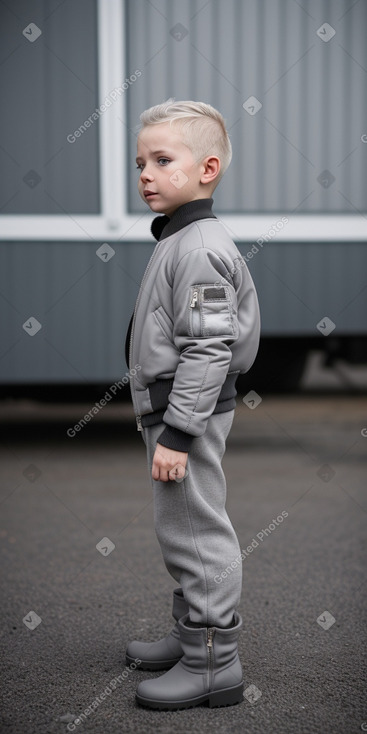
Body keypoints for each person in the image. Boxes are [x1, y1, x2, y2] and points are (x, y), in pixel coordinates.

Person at [124, 99, 260, 710]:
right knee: (181, 528)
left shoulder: (199, 247)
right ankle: (190, 638)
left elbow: (209, 347)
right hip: (179, 409)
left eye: (161, 160)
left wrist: (179, 432)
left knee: (198, 531)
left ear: (207, 168)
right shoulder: (182, 236)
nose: (145, 174)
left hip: (189, 414)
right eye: (140, 163)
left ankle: (214, 664)